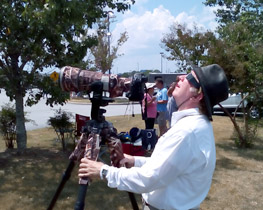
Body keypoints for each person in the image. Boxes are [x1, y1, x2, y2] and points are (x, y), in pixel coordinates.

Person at [78, 64, 229, 210]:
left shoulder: (186, 132)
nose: (181, 77)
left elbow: (150, 179)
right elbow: (169, 165)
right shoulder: (196, 125)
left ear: (198, 94)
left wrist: (103, 171)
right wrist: (135, 161)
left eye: (190, 77)